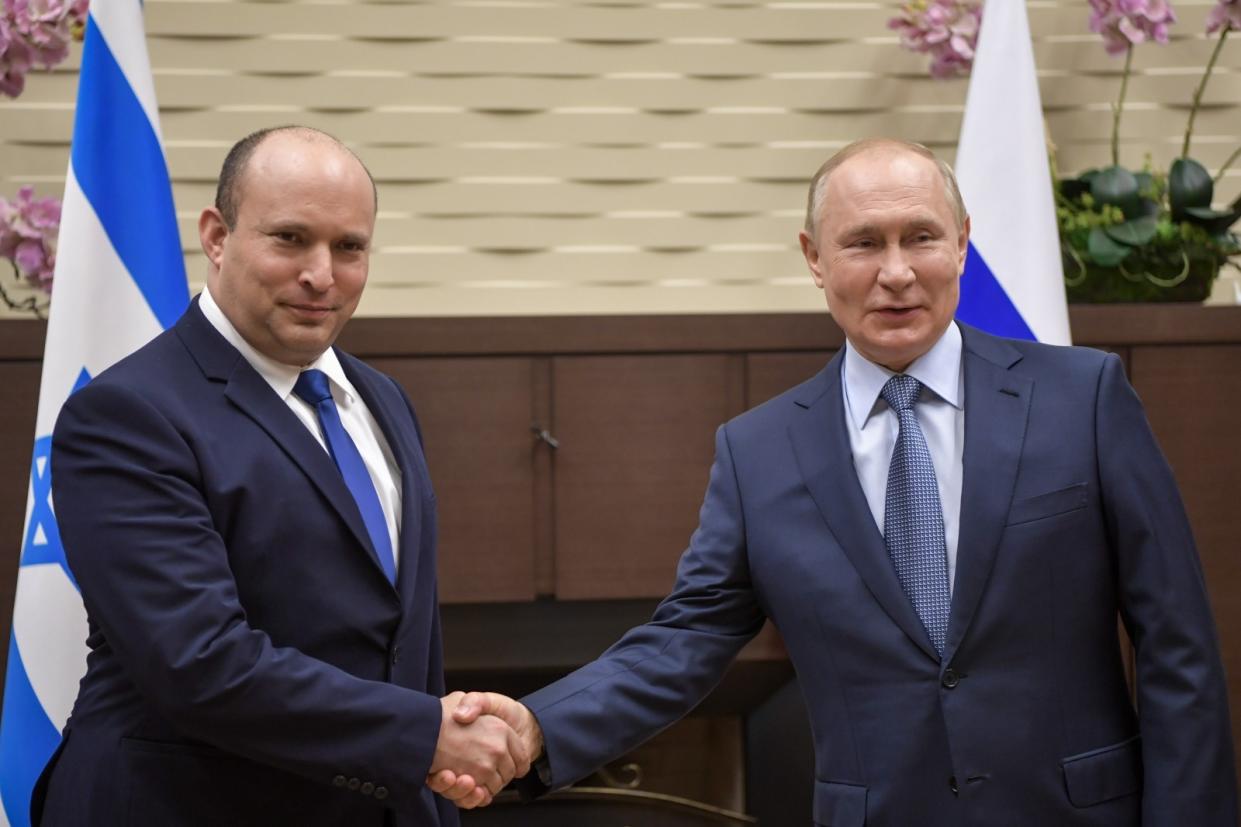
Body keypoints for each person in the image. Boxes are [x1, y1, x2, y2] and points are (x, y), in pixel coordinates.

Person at [435, 138, 1238, 825]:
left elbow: (1177, 645)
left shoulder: (1083, 398)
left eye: (920, 237)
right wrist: (536, 725)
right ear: (813, 259)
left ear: (962, 243)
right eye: (862, 242)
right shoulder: (758, 452)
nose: (896, 272)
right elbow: (681, 643)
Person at [32, 126, 528, 826]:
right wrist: (424, 734)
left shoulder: (382, 399)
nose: (322, 274)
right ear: (215, 235)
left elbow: (402, 640)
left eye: (349, 247)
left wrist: (433, 776)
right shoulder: (125, 414)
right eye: (290, 238)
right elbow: (198, 661)